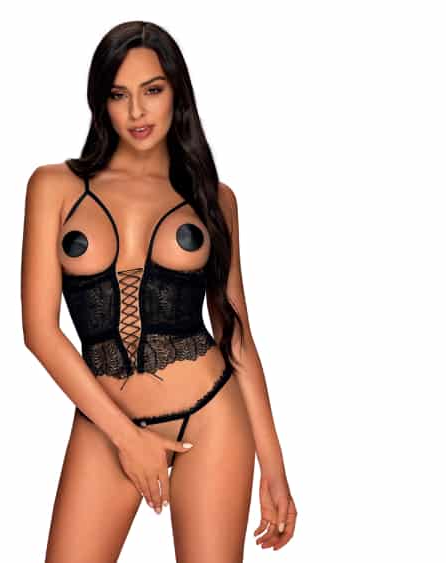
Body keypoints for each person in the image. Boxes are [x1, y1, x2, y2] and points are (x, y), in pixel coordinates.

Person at [21, 21, 297, 562]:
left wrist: (275, 467)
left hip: (211, 414)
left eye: (152, 90)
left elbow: (235, 333)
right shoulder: (54, 185)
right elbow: (39, 332)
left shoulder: (214, 198)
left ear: (177, 92)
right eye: (118, 94)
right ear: (100, 102)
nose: (136, 111)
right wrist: (128, 438)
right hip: (106, 420)